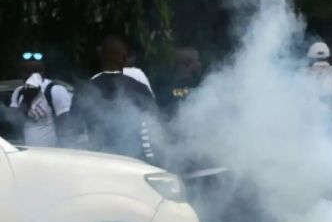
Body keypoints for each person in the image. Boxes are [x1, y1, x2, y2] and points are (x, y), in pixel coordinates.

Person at [70, 35, 162, 164]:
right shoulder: (140, 88)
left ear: (100, 55)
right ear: (124, 58)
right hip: (136, 163)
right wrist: (154, 160)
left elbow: (73, 132)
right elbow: (154, 128)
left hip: (98, 162)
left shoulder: (85, 91)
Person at [7, 51, 73, 147]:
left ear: (43, 72)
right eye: (27, 71)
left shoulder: (55, 90)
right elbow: (13, 123)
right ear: (21, 73)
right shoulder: (19, 92)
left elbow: (66, 126)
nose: (33, 75)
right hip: (25, 153)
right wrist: (27, 98)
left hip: (52, 152)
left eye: (37, 71)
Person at [157, 46, 203, 124]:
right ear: (187, 65)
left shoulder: (164, 89)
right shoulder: (199, 88)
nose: (200, 64)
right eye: (197, 60)